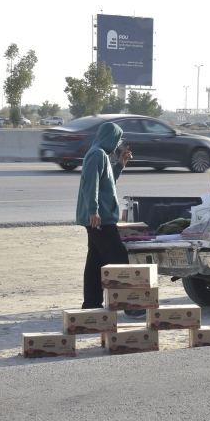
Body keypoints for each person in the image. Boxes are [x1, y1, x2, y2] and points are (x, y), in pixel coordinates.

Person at [75, 122, 144, 316]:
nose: (118, 144)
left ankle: (91, 305)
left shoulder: (101, 155)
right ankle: (131, 306)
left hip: (99, 218)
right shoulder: (97, 154)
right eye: (118, 139)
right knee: (119, 258)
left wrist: (120, 164)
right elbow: (91, 184)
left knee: (95, 262)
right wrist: (93, 210)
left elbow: (107, 182)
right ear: (110, 137)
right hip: (100, 219)